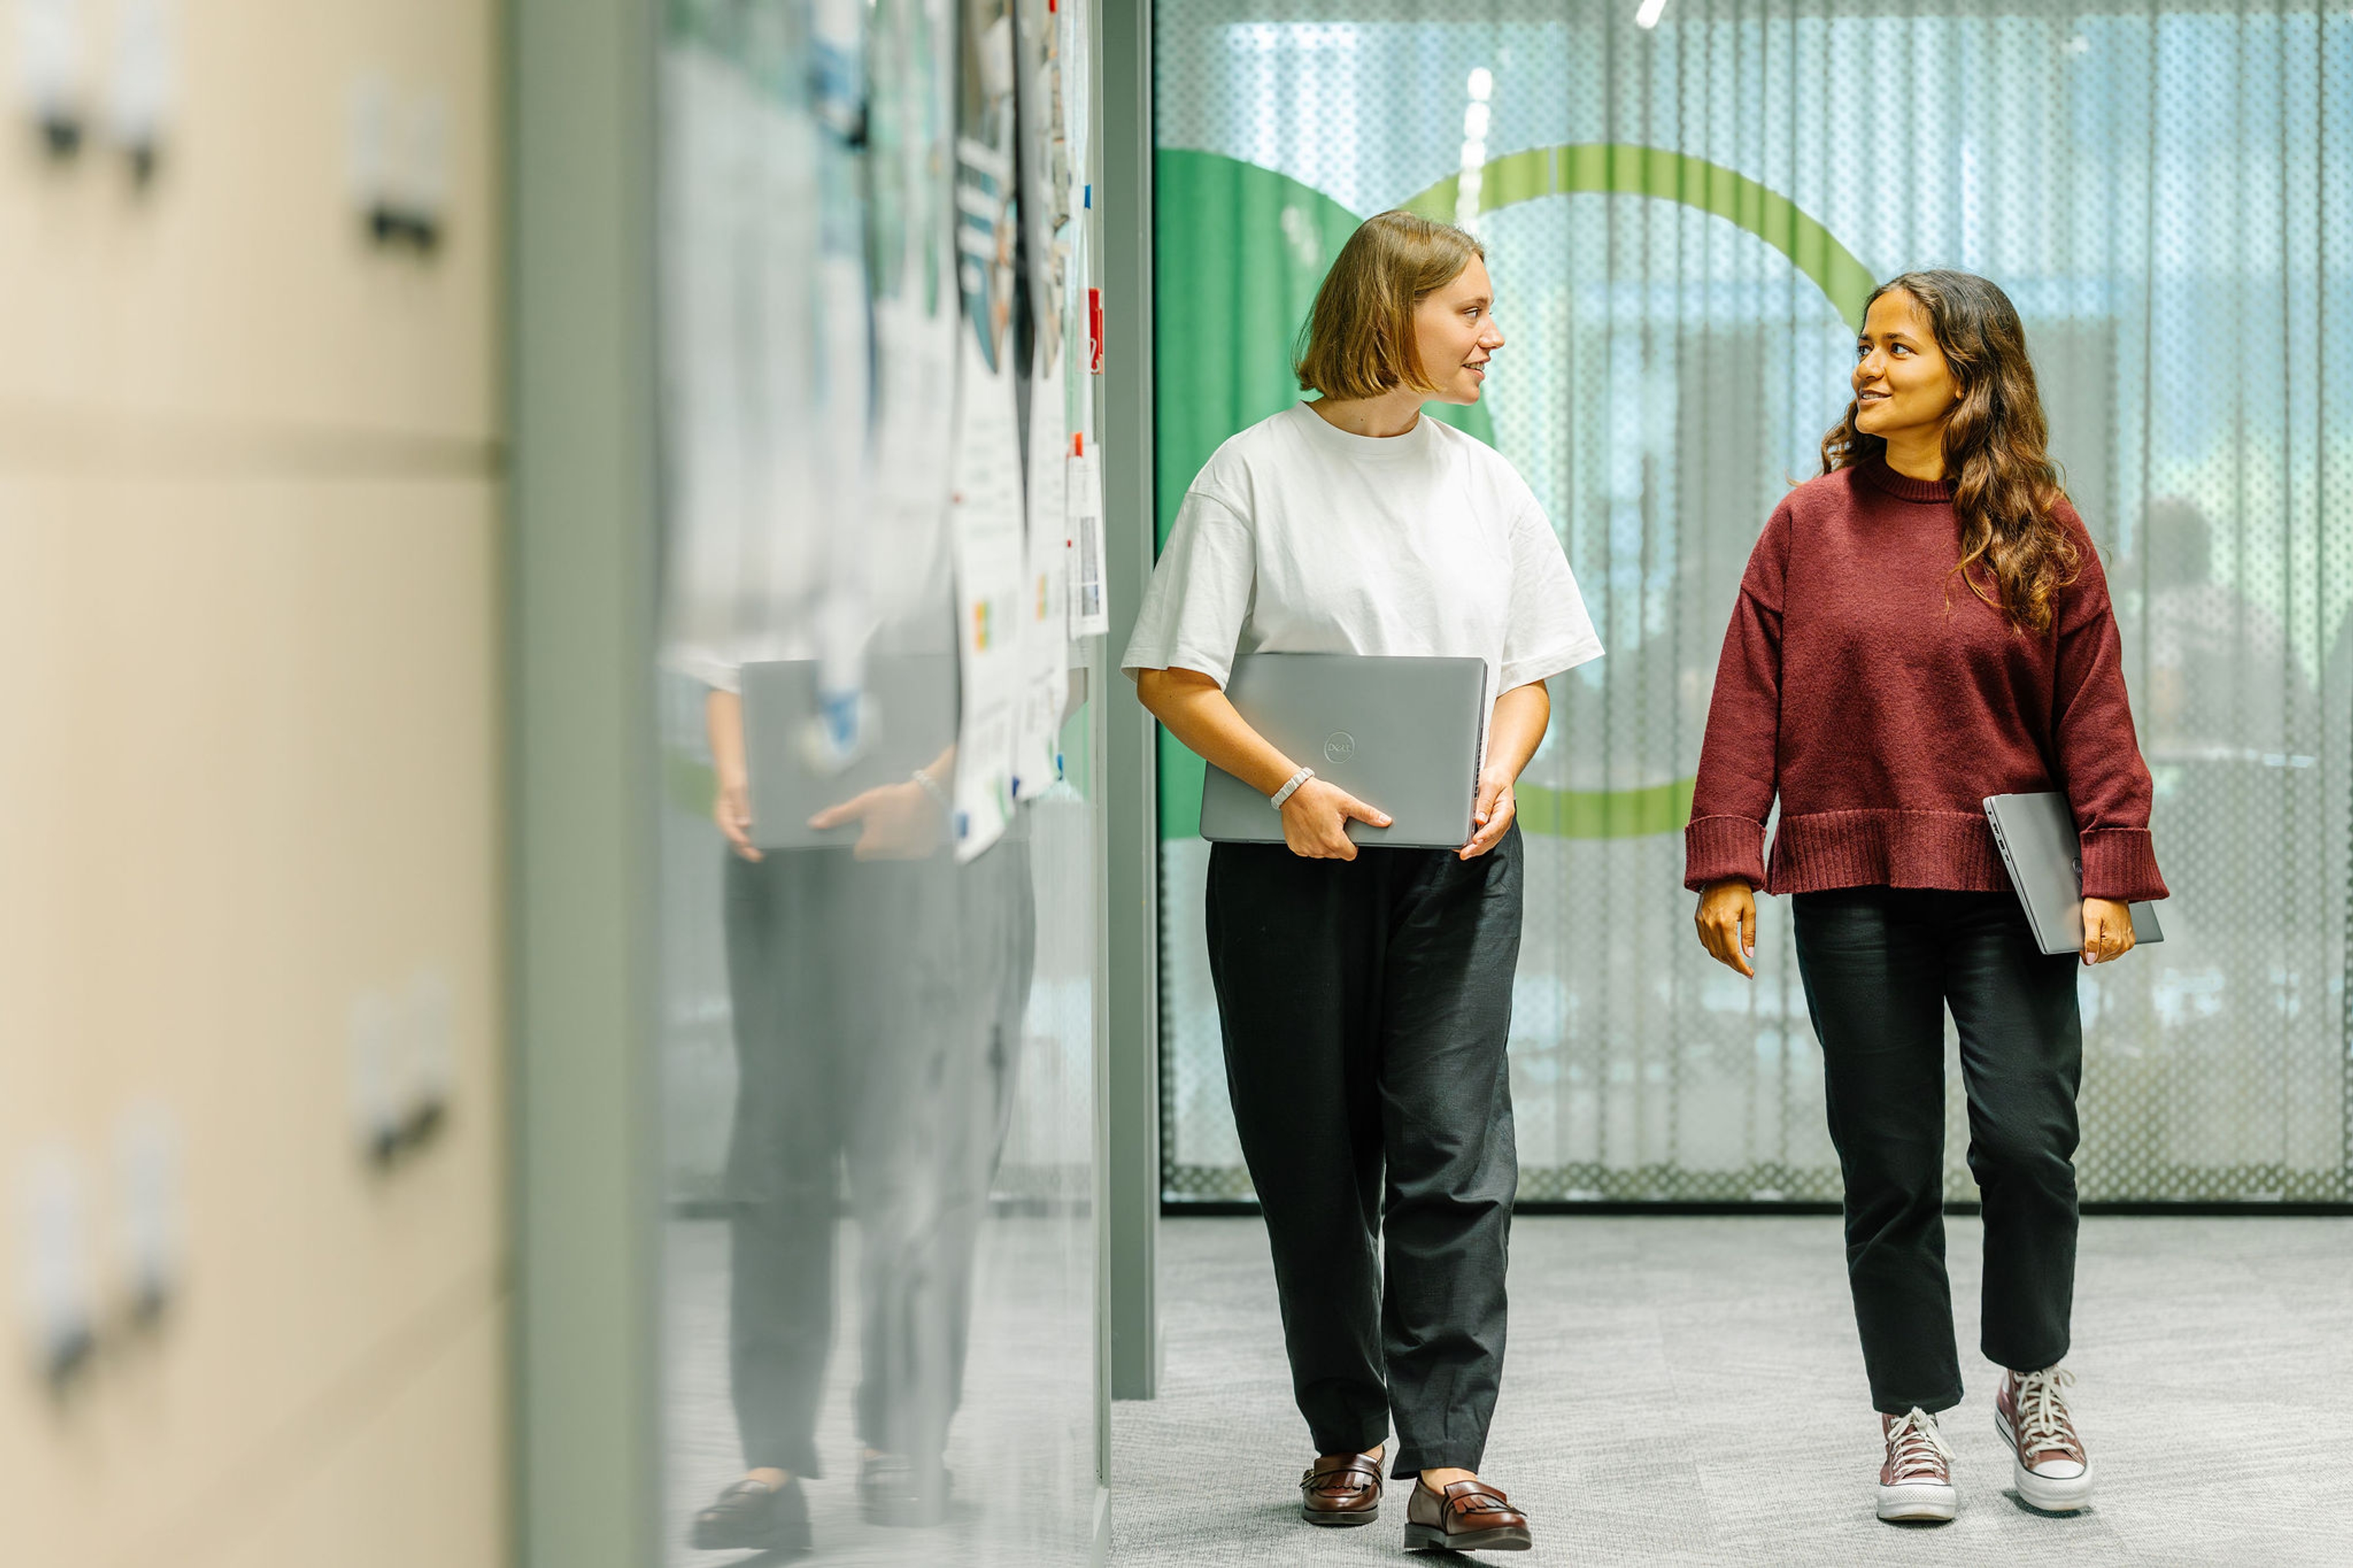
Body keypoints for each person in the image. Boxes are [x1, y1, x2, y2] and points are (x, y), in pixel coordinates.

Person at [1124, 210, 1602, 1555]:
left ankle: (1447, 1461)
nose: (1492, 333)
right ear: (1389, 314)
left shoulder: (1490, 487)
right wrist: (1289, 784)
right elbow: (1173, 673)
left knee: (1455, 1149)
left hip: (1457, 867)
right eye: (1470, 310)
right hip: (1291, 870)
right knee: (1312, 1159)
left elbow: (1530, 674)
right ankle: (1349, 1424)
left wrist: (1502, 772)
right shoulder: (1252, 475)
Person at [1684, 270, 2167, 1524]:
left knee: (2026, 1140)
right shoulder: (1806, 524)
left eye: (1898, 345)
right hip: (1850, 881)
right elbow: (1747, 700)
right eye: (1863, 345)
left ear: (1971, 367)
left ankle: (2033, 1378)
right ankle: (1910, 1414)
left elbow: (2095, 717)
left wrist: (2115, 866)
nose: (1867, 365)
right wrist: (1730, 853)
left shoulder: (2043, 529)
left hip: (2015, 881)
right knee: (1889, 1162)